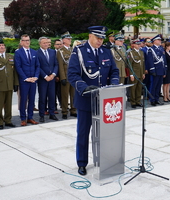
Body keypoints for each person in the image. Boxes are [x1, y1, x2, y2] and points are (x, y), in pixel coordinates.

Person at [68, 26, 119, 176]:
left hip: (105, 101)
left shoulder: (106, 51)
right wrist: (85, 88)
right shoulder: (79, 51)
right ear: (90, 36)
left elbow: (114, 71)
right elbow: (72, 74)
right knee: (83, 133)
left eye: (102, 38)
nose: (100, 41)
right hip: (86, 100)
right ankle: (82, 163)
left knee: (104, 133)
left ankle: (103, 159)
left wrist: (114, 84)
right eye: (97, 37)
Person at [0, 39, 19, 129]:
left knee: (8, 104)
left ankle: (8, 120)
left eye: (3, 45)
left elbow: (14, 72)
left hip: (9, 84)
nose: (2, 47)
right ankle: (0, 122)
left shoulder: (10, 57)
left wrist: (16, 83)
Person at [14, 34, 40, 126]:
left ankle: (30, 117)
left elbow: (37, 66)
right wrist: (25, 78)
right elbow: (18, 67)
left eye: (28, 40)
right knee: (23, 100)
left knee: (32, 99)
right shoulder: (18, 53)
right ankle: (23, 118)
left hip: (33, 80)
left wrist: (36, 77)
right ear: (21, 42)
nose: (27, 42)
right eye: (25, 40)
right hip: (24, 81)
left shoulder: (34, 52)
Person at [37, 37, 58, 122]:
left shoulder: (52, 52)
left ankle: (52, 113)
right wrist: (45, 76)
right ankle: (41, 114)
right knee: (42, 97)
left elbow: (56, 64)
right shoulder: (37, 53)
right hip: (43, 79)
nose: (46, 44)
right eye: (44, 43)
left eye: (47, 43)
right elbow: (38, 66)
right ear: (40, 44)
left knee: (52, 96)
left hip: (52, 78)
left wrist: (53, 74)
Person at [57, 32, 77, 119]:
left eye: (70, 39)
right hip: (66, 76)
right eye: (68, 39)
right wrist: (63, 77)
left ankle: (73, 110)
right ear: (63, 40)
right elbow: (61, 65)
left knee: (74, 95)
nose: (70, 40)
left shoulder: (73, 50)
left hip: (73, 76)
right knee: (65, 95)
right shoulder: (60, 51)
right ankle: (64, 111)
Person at [146, 34, 167, 106]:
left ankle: (157, 99)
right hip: (155, 70)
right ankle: (152, 100)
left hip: (161, 70)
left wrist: (165, 70)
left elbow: (164, 60)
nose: (160, 41)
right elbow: (150, 61)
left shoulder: (161, 49)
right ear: (154, 41)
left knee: (158, 86)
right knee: (153, 86)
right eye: (159, 40)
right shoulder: (151, 49)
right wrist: (152, 70)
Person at [128, 39, 145, 108]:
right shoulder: (131, 53)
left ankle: (138, 101)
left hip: (140, 73)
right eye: (137, 44)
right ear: (134, 45)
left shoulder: (141, 52)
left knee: (139, 88)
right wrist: (131, 74)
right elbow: (129, 65)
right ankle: (133, 102)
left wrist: (143, 73)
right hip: (134, 73)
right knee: (133, 88)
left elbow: (143, 64)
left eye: (139, 44)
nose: (139, 45)